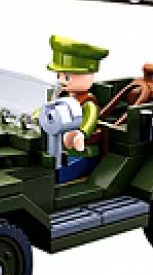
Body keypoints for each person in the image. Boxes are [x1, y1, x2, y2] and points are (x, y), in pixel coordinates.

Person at [47, 35, 109, 183]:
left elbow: (90, 121)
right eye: (59, 75)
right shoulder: (61, 97)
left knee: (61, 173)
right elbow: (48, 110)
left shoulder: (88, 103)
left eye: (67, 77)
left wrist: (81, 133)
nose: (62, 81)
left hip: (82, 151)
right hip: (60, 145)